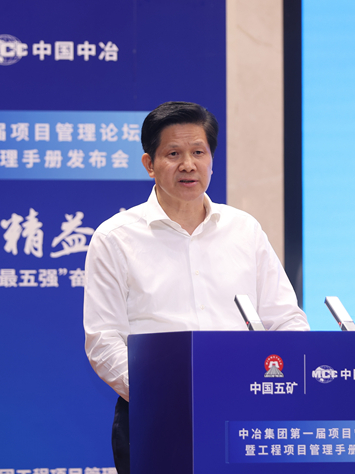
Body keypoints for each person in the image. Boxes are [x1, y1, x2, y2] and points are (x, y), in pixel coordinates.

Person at [83, 101, 309, 474]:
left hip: (244, 411)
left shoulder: (244, 230)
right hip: (155, 416)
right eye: (173, 154)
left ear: (211, 161)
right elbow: (103, 339)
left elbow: (285, 318)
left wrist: (280, 383)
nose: (188, 164)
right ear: (149, 164)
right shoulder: (115, 237)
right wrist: (159, 394)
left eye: (198, 153)